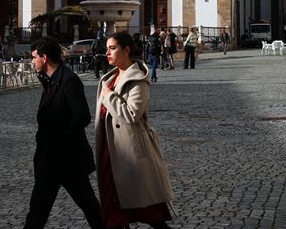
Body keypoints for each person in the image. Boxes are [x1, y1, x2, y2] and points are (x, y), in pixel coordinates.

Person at [23, 37, 104, 229]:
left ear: (44, 58)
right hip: (50, 159)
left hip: (68, 159)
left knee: (90, 206)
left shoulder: (69, 80)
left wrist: (60, 140)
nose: (32, 62)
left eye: (34, 57)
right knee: (37, 211)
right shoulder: (49, 80)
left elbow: (82, 116)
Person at [96, 32, 174, 229]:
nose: (107, 53)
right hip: (111, 150)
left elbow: (132, 114)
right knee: (114, 209)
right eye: (107, 49)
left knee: (148, 211)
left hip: (130, 152)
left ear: (126, 50)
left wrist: (109, 96)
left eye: (112, 48)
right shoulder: (110, 78)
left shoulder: (138, 79)